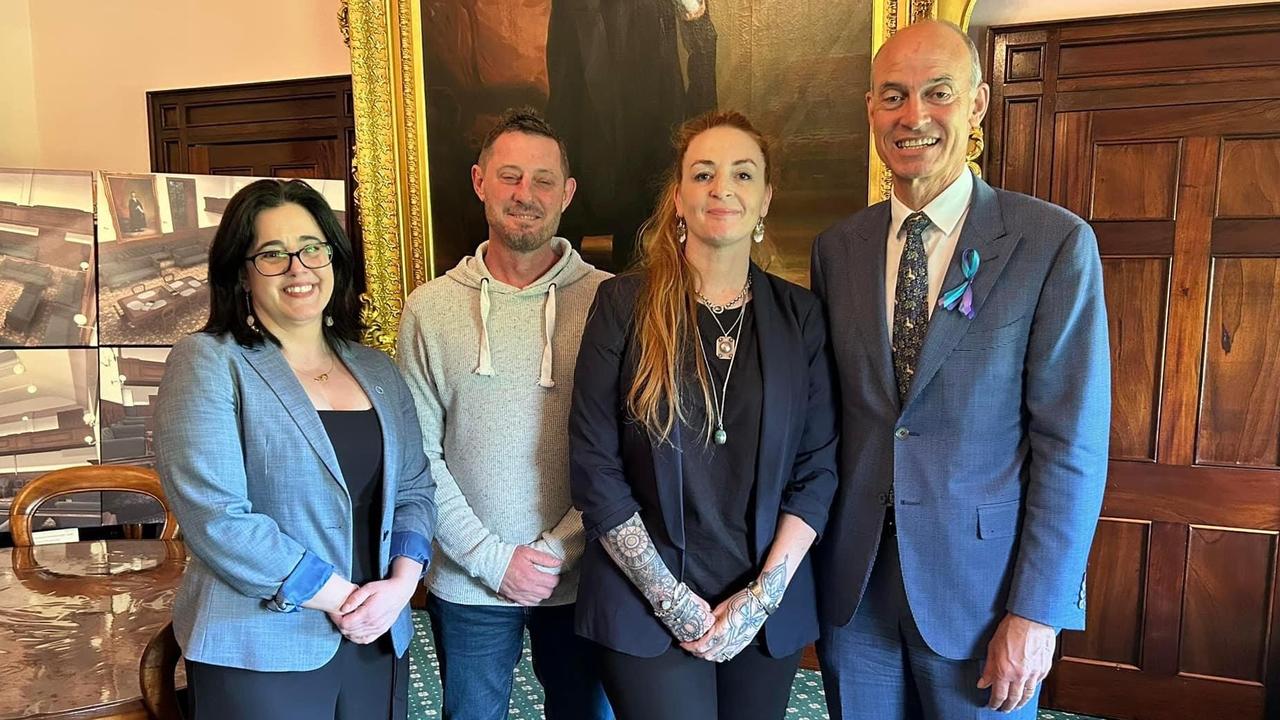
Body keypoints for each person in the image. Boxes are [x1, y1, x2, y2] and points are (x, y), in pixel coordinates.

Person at [810, 20, 1111, 719]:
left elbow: (1072, 445)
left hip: (984, 601)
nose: (914, 116)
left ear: (976, 104)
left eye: (937, 93)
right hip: (853, 598)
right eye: (894, 96)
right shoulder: (838, 250)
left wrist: (1039, 613)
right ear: (871, 110)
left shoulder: (1052, 243)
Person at [569, 110, 839, 720]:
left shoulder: (801, 317)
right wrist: (671, 601)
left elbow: (817, 472)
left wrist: (758, 602)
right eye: (704, 173)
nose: (724, 188)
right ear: (678, 197)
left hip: (764, 606)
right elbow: (594, 466)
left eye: (744, 174)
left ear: (765, 198)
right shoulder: (622, 304)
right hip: (644, 602)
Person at [154, 178, 437, 720]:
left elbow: (415, 490)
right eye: (272, 255)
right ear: (241, 271)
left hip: (377, 636)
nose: (298, 268)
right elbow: (217, 519)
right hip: (260, 644)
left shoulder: (378, 370)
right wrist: (339, 597)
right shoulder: (210, 362)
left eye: (312, 248)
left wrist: (400, 586)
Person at [396, 108, 613, 720]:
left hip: (582, 577)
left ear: (567, 194)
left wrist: (555, 550)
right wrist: (494, 560)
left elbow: (625, 452)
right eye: (510, 176)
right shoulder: (430, 310)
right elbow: (419, 458)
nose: (526, 194)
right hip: (469, 582)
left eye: (543, 180)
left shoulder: (610, 301)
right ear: (479, 182)